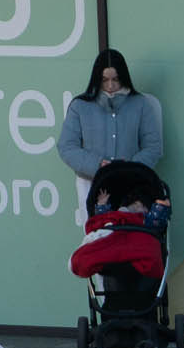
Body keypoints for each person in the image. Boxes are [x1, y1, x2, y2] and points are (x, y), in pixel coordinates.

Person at [57, 49, 163, 224]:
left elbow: (153, 147)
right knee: (96, 234)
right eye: (105, 80)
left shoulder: (140, 104)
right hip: (91, 182)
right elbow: (67, 147)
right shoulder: (79, 106)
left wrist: (129, 168)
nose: (111, 85)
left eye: (116, 79)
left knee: (128, 233)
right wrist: (98, 164)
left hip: (131, 184)